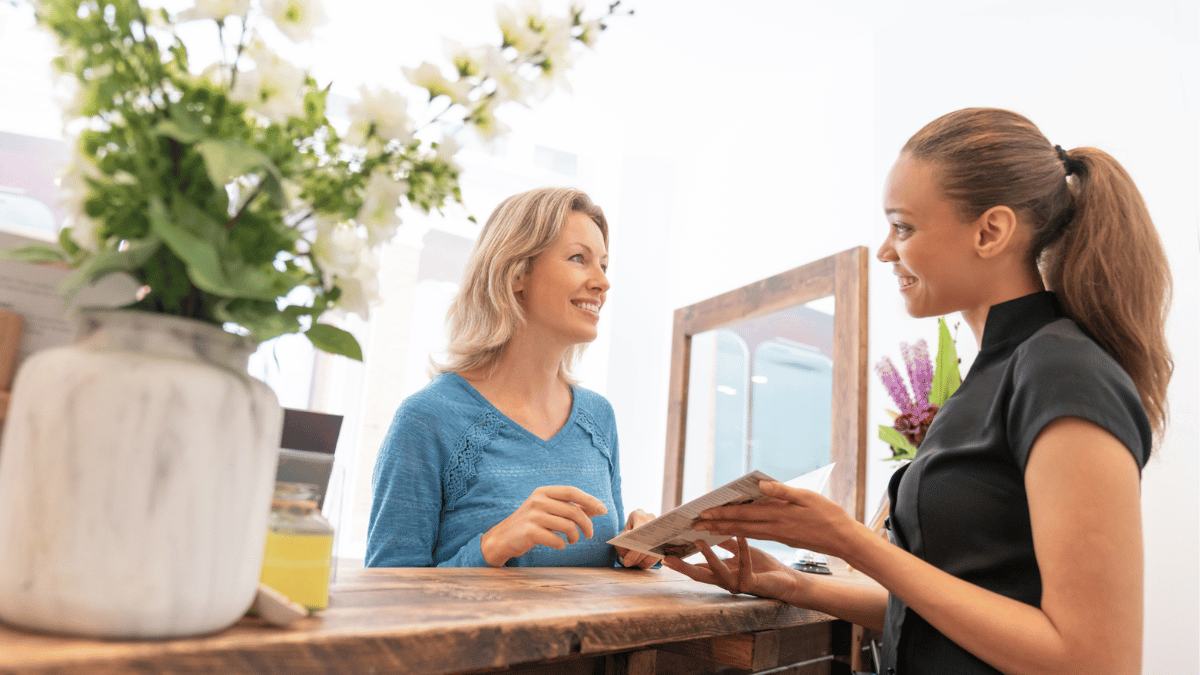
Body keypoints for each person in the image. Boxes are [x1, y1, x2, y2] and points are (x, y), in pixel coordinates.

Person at [663, 108, 1171, 675]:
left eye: (903, 227)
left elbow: (1094, 660)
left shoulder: (1063, 370)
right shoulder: (992, 378)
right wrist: (783, 582)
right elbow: (953, 607)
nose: (885, 250)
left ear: (991, 231)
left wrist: (853, 543)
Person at [366, 187, 659, 569]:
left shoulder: (599, 417)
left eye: (603, 265)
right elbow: (389, 596)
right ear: (517, 272)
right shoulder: (427, 419)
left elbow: (595, 572)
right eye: (579, 259)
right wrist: (494, 546)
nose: (602, 283)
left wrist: (635, 552)